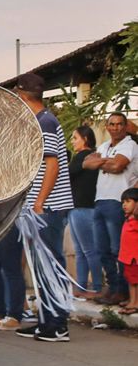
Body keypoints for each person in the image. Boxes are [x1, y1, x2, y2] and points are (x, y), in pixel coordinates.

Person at [13, 73, 74, 342]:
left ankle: (58, 324)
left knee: (51, 264)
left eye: (16, 95)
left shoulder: (45, 122)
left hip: (47, 207)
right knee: (40, 267)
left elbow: (52, 163)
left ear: (24, 96)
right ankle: (46, 320)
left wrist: (39, 202)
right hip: (41, 207)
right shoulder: (39, 121)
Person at [84, 112, 137, 305]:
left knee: (118, 250)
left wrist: (100, 162)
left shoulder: (130, 145)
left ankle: (122, 291)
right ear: (107, 127)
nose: (115, 128)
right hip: (100, 200)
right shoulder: (104, 145)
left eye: (119, 124)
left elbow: (118, 166)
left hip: (118, 201)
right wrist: (107, 163)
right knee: (102, 249)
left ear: (125, 126)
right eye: (112, 124)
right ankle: (112, 288)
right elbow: (86, 163)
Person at [68, 126, 101, 298]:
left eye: (75, 138)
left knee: (88, 250)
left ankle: (96, 287)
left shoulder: (84, 156)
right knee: (81, 250)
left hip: (84, 208)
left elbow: (66, 173)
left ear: (85, 139)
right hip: (78, 207)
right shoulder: (82, 158)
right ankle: (81, 286)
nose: (73, 141)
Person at [118, 187, 138, 315]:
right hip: (127, 257)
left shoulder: (136, 221)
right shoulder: (128, 219)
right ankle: (132, 300)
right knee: (131, 281)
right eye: (123, 202)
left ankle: (134, 303)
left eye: (128, 201)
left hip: (134, 257)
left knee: (135, 281)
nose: (124, 205)